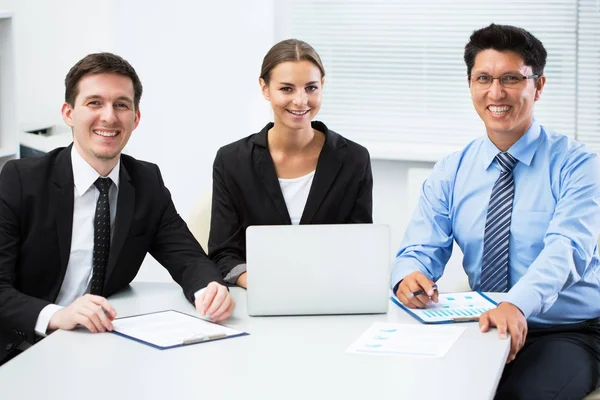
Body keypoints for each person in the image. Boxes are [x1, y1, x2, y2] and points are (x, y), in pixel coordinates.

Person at [392, 24, 600, 399]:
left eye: (510, 79)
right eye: (483, 78)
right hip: (484, 324)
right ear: (470, 84)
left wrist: (516, 303)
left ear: (538, 86)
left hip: (570, 329)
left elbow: (567, 249)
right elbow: (419, 250)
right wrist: (409, 277)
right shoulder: (452, 170)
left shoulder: (577, 163)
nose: (495, 92)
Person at [0, 52, 235, 365]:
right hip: (19, 349)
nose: (109, 117)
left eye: (121, 104)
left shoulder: (145, 182)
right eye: (94, 103)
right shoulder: (21, 180)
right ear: (69, 113)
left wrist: (211, 289)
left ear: (135, 118)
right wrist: (58, 315)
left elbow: (188, 257)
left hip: (96, 349)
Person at [209, 39, 373, 288]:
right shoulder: (232, 161)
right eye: (286, 89)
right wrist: (262, 285)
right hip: (258, 295)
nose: (301, 100)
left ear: (322, 86)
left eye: (311, 88)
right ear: (265, 88)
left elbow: (360, 246)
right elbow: (224, 253)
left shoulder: (353, 159)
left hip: (331, 293)